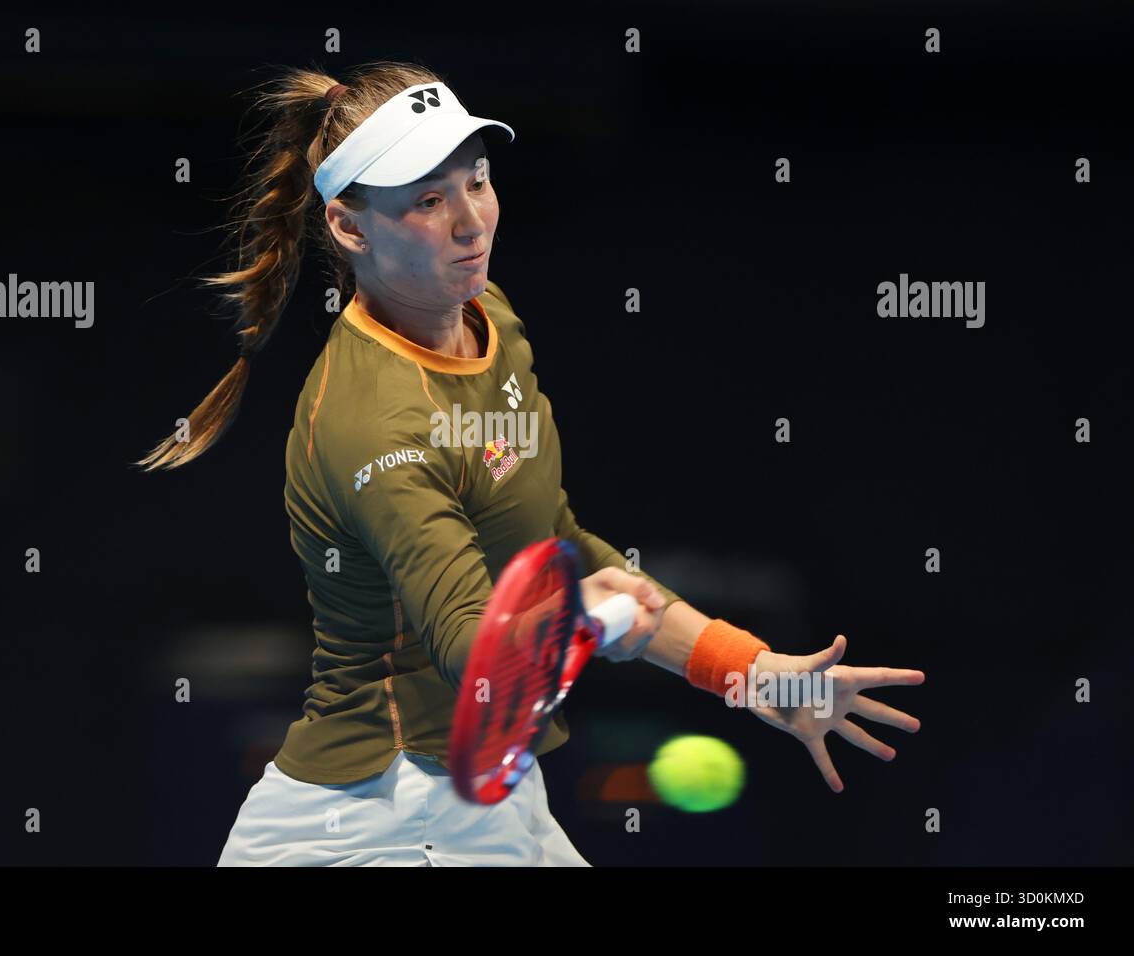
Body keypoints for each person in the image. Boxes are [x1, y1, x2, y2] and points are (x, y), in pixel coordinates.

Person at [136, 61, 925, 866]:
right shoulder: (372, 421)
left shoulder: (489, 318)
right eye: (428, 201)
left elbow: (556, 536)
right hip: (376, 816)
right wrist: (583, 616)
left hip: (489, 795)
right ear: (349, 226)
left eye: (476, 181)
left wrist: (752, 672)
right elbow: (477, 652)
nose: (471, 222)